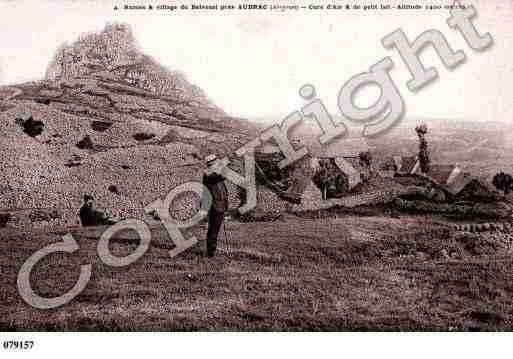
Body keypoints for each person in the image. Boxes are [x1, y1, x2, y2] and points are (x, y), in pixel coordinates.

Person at [201, 154, 228, 257]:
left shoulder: (212, 173)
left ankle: (211, 251)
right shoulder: (208, 174)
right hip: (215, 206)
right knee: (213, 229)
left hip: (219, 205)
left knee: (214, 229)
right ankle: (210, 253)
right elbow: (221, 176)